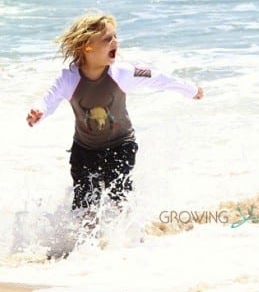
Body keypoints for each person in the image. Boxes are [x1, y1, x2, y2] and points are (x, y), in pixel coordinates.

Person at [27, 12, 204, 215]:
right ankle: (86, 244)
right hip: (84, 150)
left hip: (121, 145)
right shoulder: (69, 78)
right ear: (87, 47)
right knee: (84, 208)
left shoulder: (122, 73)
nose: (115, 42)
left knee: (119, 197)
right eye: (107, 39)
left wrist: (189, 89)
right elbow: (50, 98)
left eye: (115, 36)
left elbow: (158, 78)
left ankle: (125, 240)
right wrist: (39, 110)